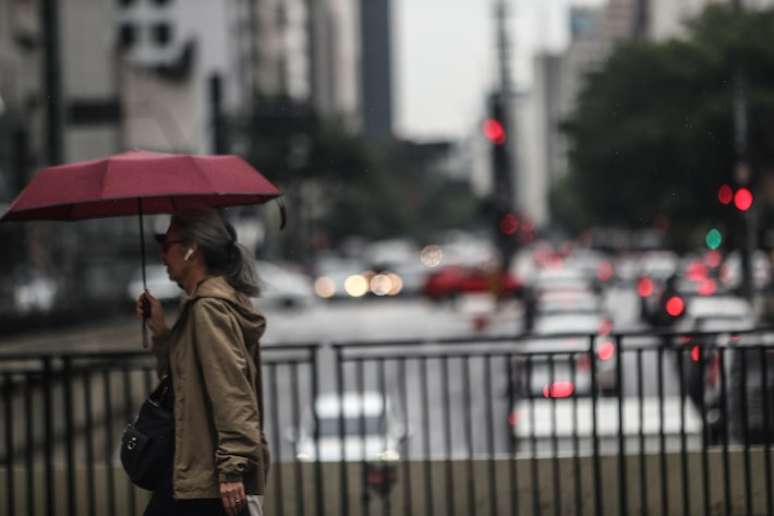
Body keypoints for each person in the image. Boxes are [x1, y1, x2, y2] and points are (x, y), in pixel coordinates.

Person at [135, 206, 269, 516]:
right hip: (198, 472)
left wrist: (233, 468)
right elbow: (186, 381)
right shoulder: (213, 303)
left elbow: (232, 390)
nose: (161, 256)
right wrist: (161, 331)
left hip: (209, 479)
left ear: (192, 249)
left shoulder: (208, 309)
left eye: (166, 245)